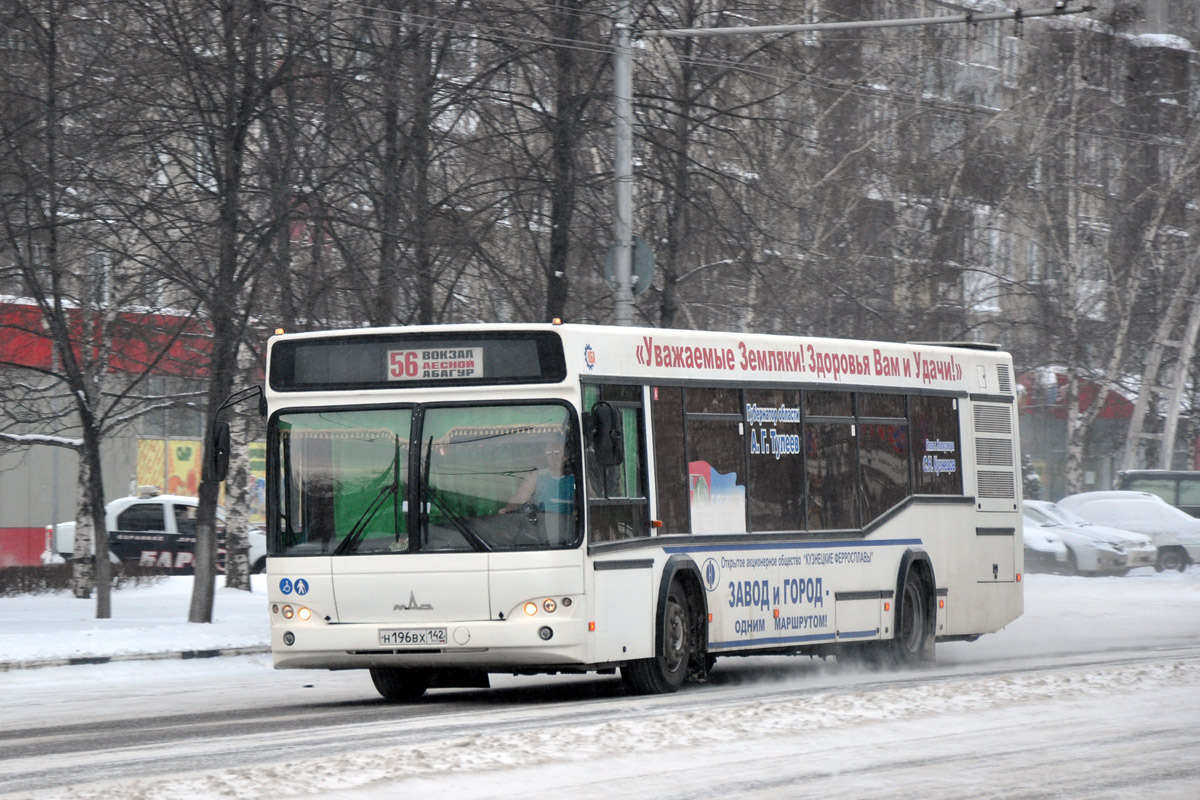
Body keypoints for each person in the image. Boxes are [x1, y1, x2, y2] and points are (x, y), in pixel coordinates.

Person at [499, 442, 575, 516]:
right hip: (542, 523)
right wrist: (508, 509)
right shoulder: (535, 476)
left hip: (572, 525)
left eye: (557, 452)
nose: (553, 457)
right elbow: (519, 498)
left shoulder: (578, 477)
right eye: (549, 453)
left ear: (566, 456)